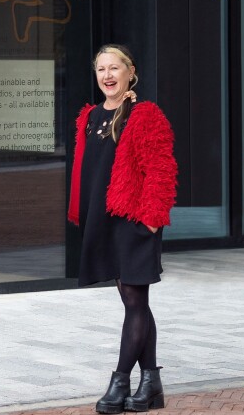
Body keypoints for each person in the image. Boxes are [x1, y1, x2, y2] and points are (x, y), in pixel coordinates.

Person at [68, 44, 178, 413]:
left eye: (115, 68)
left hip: (135, 220)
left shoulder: (144, 115)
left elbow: (161, 170)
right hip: (104, 221)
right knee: (136, 302)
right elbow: (86, 172)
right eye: (101, 69)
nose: (107, 75)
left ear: (131, 72)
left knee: (134, 299)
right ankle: (150, 384)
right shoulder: (91, 117)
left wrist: (150, 219)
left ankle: (120, 382)